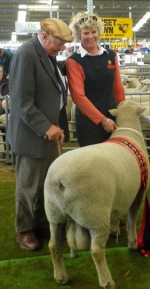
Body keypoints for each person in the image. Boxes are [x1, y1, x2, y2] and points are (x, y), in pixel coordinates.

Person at [7, 18, 73, 251]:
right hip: (32, 136)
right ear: (44, 35)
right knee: (28, 187)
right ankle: (24, 230)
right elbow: (21, 102)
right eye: (59, 42)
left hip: (49, 134)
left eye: (64, 44)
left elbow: (54, 92)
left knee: (47, 183)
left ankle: (41, 223)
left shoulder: (48, 55)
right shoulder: (26, 54)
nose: (61, 47)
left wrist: (57, 126)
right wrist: (46, 127)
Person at [66, 12, 125, 147]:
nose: (91, 36)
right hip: (89, 123)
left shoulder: (111, 55)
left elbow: (118, 87)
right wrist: (103, 120)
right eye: (86, 33)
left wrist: (122, 112)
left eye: (94, 31)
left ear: (99, 31)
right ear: (78, 34)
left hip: (113, 117)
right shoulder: (74, 61)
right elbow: (78, 97)